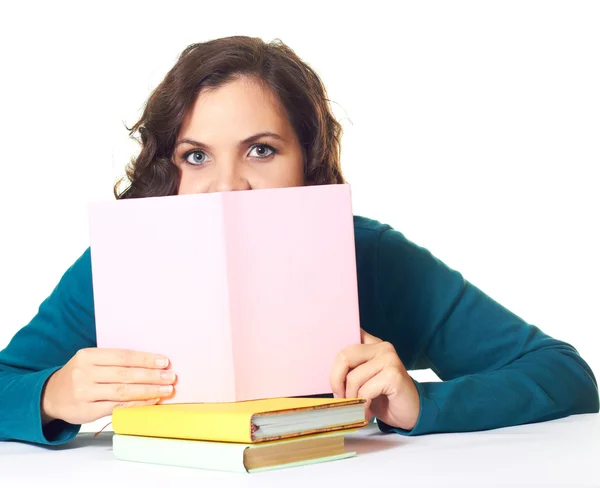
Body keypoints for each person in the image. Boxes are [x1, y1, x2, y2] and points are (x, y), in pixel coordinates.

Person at [0, 36, 598, 446]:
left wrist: (422, 405)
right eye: (196, 155)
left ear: (308, 160)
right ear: (167, 167)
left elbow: (565, 373)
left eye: (261, 149)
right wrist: (51, 395)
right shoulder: (117, 263)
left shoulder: (374, 256)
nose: (227, 186)